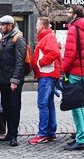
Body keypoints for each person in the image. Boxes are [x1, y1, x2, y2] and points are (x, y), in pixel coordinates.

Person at [60, 4, 84, 151]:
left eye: (69, 11)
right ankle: (82, 136)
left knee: (76, 106)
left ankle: (81, 139)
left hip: (75, 72)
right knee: (81, 105)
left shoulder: (74, 29)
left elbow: (70, 53)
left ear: (74, 14)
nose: (67, 14)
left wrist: (62, 70)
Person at [0, 15, 27, 146]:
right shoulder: (5, 38)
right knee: (6, 106)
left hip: (13, 80)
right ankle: (9, 133)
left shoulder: (18, 39)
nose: (0, 27)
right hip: (3, 79)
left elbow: (20, 62)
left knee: (14, 107)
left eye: (3, 25)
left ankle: (13, 135)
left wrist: (15, 80)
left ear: (10, 25)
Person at [30, 17, 61, 145]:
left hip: (47, 74)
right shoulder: (47, 37)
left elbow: (53, 52)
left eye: (37, 25)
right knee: (48, 104)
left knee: (43, 104)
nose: (36, 27)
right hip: (47, 74)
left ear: (42, 26)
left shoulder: (47, 37)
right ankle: (50, 132)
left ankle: (43, 133)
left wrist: (39, 63)